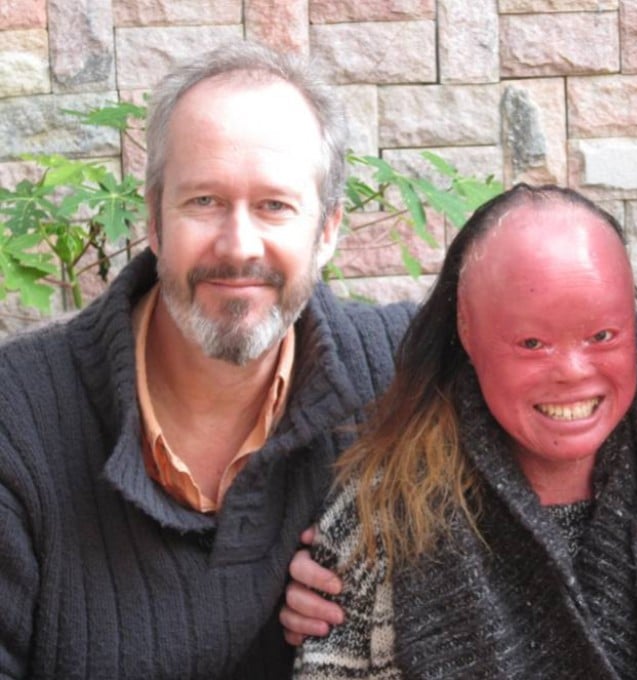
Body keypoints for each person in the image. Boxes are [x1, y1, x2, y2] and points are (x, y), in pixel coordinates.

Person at [0, 43, 414, 678]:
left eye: (274, 205)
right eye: (204, 202)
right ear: (156, 223)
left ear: (327, 229)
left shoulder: (402, 374)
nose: (238, 245)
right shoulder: (18, 419)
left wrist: (402, 591)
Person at [291, 183, 637, 678]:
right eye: (532, 343)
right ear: (467, 332)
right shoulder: (382, 516)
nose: (573, 371)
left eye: (602, 336)